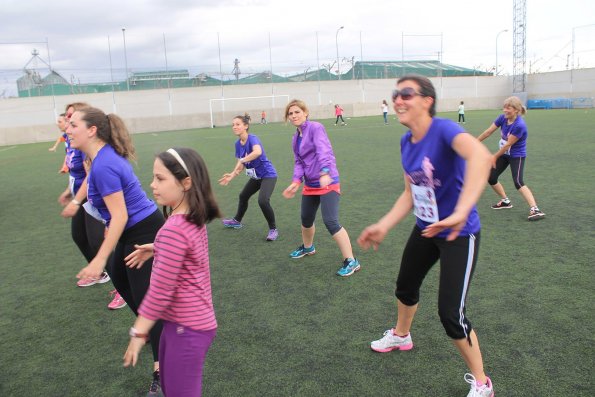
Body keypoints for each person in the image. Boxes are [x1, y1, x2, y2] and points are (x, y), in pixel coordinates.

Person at [357, 75, 495, 397]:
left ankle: (482, 382)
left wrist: (460, 212)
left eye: (406, 93)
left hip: (459, 233)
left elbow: (481, 157)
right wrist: (384, 225)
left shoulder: (444, 130)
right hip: (425, 227)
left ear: (427, 100)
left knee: (450, 314)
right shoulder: (406, 142)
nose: (398, 100)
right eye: (396, 94)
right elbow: (410, 193)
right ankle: (402, 335)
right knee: (405, 286)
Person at [68, 106, 165, 394]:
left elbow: (120, 215)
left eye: (73, 124)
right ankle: (151, 329)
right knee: (120, 281)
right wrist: (74, 200)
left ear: (92, 130)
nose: (67, 129)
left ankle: (163, 370)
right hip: (129, 231)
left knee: (148, 303)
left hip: (144, 230)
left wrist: (97, 260)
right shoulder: (97, 160)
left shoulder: (105, 164)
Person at [123, 147, 221, 397]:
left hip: (187, 328)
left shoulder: (173, 230)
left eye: (160, 178)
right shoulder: (189, 218)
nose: (152, 184)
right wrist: (157, 249)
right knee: (170, 386)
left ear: (185, 182)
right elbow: (188, 253)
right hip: (183, 324)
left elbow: (159, 292)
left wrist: (138, 332)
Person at [283, 99, 360, 277]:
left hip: (327, 181)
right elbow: (299, 162)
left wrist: (325, 172)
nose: (294, 115)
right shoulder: (296, 137)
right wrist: (296, 182)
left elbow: (323, 151)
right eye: (290, 113)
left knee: (331, 221)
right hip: (310, 184)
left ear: (305, 113)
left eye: (297, 112)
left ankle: (351, 261)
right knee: (306, 219)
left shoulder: (316, 128)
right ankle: (308, 247)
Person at [58, 103, 125, 310]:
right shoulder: (73, 143)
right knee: (79, 236)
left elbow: (92, 176)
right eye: (66, 119)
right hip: (84, 197)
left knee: (98, 241)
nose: (67, 124)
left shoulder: (93, 149)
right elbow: (78, 173)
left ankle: (121, 287)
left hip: (92, 198)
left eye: (71, 119)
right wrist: (70, 192)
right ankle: (101, 272)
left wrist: (76, 201)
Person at [477, 96, 545, 220]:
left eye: (508, 108)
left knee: (518, 182)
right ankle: (505, 201)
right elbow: (488, 132)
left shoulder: (519, 126)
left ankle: (535, 209)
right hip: (505, 153)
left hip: (516, 155)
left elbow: (508, 144)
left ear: (516, 110)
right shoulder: (502, 118)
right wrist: (475, 142)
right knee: (491, 177)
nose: (505, 110)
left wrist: (494, 157)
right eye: (504, 107)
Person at [218, 115, 279, 241]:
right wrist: (232, 174)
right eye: (233, 125)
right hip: (256, 176)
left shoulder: (252, 139)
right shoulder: (237, 144)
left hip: (268, 175)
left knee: (262, 200)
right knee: (243, 196)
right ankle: (237, 221)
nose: (234, 127)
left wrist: (242, 160)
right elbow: (240, 166)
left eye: (238, 124)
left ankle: (273, 229)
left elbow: (257, 152)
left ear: (246, 126)